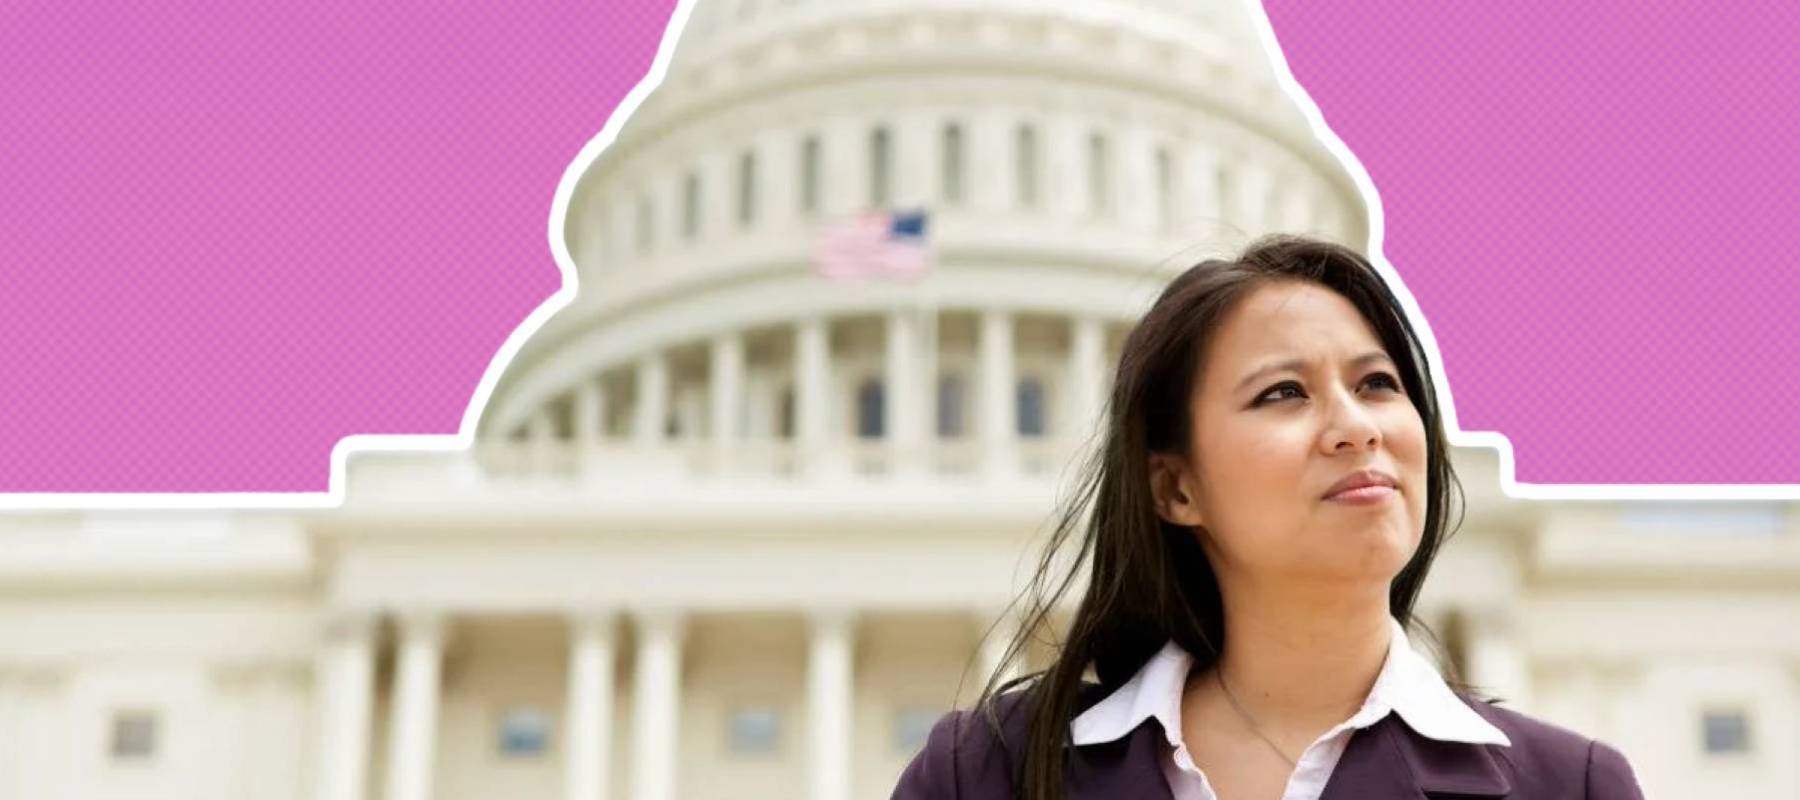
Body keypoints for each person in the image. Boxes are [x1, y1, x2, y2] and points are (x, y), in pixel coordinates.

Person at [890, 235, 1644, 799]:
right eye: (1284, 392)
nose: (1356, 426)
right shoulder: (986, 775)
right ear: (1177, 488)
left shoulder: (1568, 787)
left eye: (1378, 383)